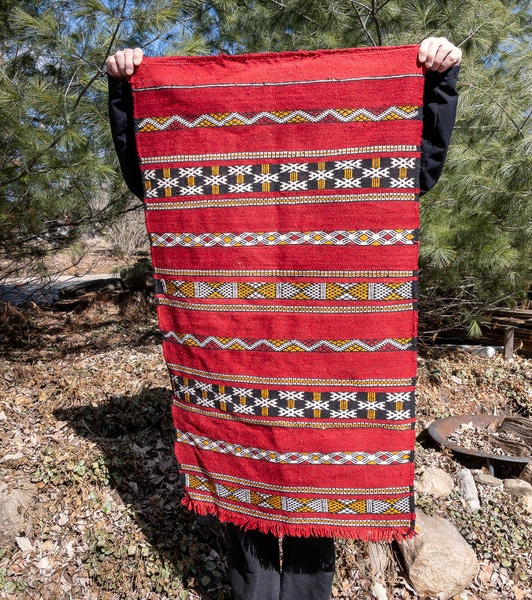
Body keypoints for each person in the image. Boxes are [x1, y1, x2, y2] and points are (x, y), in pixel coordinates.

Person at [106, 37, 461, 600]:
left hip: (327, 364)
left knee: (315, 493)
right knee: (244, 490)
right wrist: (126, 91)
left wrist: (438, 82)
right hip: (236, 360)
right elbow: (154, 168)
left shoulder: (359, 154)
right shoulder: (210, 159)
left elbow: (416, 163)